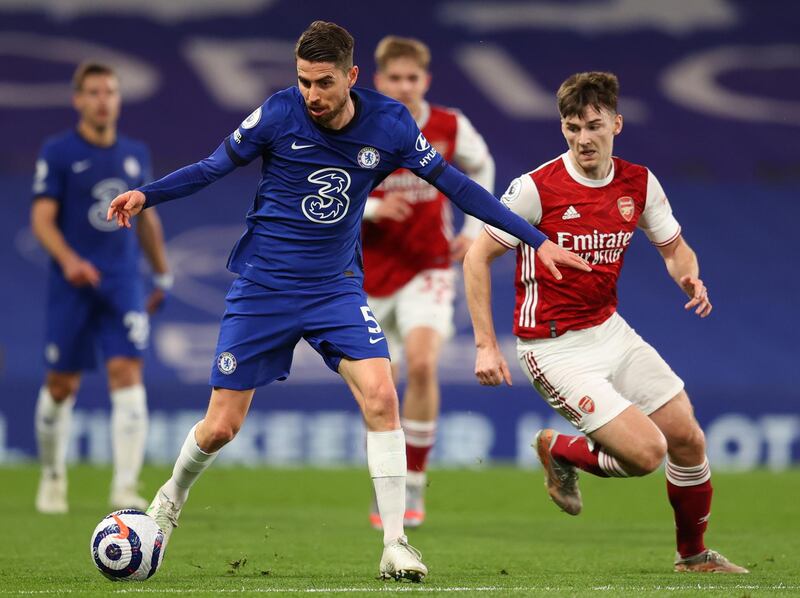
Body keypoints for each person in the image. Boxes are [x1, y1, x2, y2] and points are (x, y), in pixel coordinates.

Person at [107, 21, 589, 582]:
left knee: (383, 395)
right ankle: (169, 499)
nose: (313, 95)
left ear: (352, 77)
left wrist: (536, 239)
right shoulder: (278, 113)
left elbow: (459, 186)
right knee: (220, 427)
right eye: (305, 82)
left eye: (324, 83)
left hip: (334, 288)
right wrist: (148, 194)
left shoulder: (390, 124)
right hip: (263, 287)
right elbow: (213, 167)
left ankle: (395, 543)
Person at [463, 71, 748, 574]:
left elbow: (675, 249)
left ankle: (694, 556)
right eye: (572, 128)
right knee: (646, 454)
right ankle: (561, 449)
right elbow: (475, 257)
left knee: (688, 438)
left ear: (616, 123)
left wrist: (689, 278)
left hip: (608, 329)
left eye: (593, 126)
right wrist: (487, 345)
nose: (583, 139)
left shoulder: (637, 182)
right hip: (551, 348)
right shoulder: (536, 188)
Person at [363, 35, 495, 530]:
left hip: (429, 266)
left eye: (411, 78)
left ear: (425, 80)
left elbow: (481, 166)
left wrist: (473, 229)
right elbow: (322, 183)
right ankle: (388, 486)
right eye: (394, 78)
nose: (403, 86)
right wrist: (373, 207)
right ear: (378, 81)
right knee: (380, 387)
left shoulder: (448, 125)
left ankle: (413, 481)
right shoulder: (357, 123)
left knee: (421, 364)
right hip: (367, 275)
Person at [31, 62, 171, 514]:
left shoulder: (135, 154)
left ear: (118, 98)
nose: (102, 100)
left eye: (110, 91)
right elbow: (41, 219)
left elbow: (147, 218)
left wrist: (162, 273)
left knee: (127, 373)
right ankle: (53, 477)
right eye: (93, 92)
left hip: (123, 281)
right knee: (60, 384)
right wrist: (70, 260)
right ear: (78, 100)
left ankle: (125, 487)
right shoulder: (58, 152)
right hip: (72, 283)